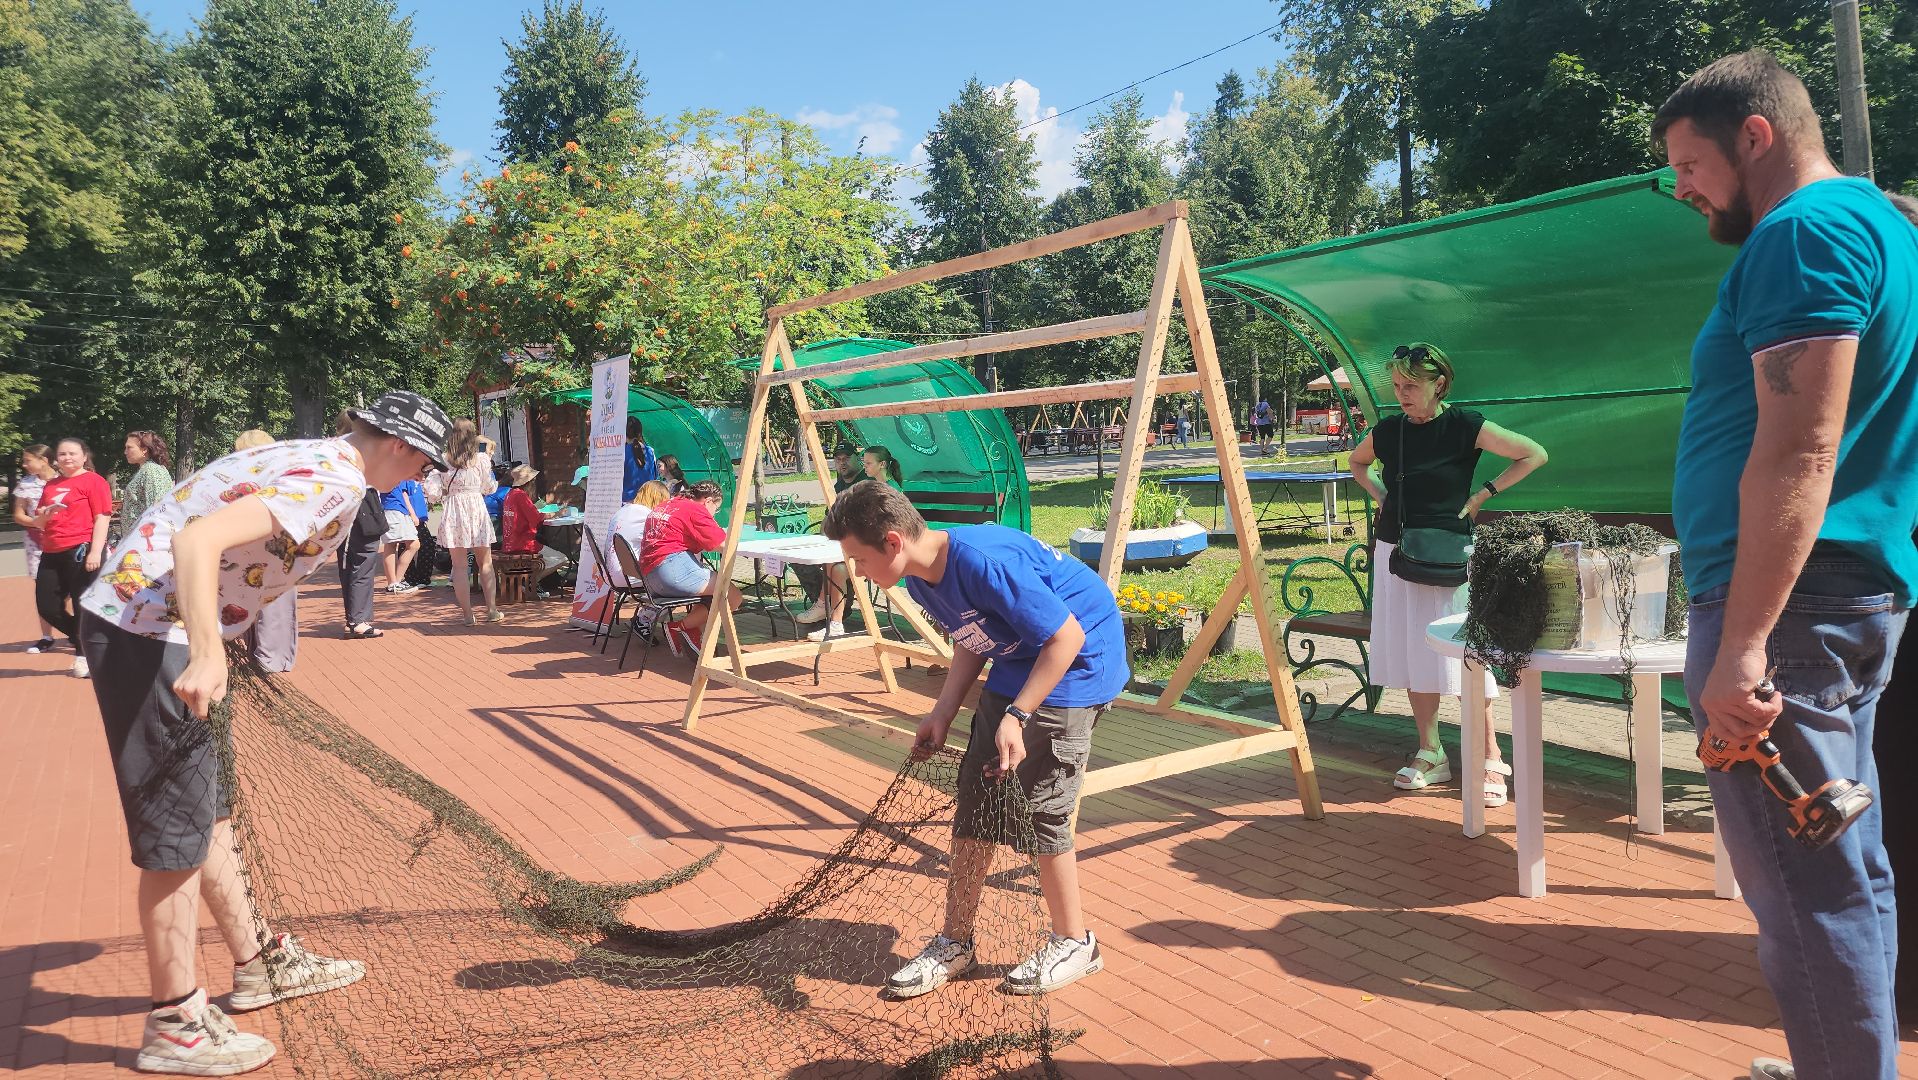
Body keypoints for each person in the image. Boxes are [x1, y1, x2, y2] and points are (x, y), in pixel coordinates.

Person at [1654, 52, 1918, 1080]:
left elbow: (1802, 447)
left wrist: (1746, 644)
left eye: (1687, 163)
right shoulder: (1885, 226)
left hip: (1787, 612)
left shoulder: (1799, 235)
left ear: (1753, 137)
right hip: (1845, 596)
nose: (1682, 188)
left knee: (1803, 895)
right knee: (1851, 867)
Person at [75, 390, 449, 1076]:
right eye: (423, 462)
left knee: (206, 810)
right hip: (151, 633)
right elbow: (197, 539)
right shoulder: (338, 480)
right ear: (400, 445)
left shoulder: (313, 454)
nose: (420, 477)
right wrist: (207, 646)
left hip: (145, 623)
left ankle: (258, 963)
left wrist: (217, 635)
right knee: (175, 831)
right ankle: (175, 1022)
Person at [821, 481, 1127, 999]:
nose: (857, 572)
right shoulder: (919, 576)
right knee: (975, 803)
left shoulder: (983, 562)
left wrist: (1019, 713)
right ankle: (955, 941)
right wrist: (943, 711)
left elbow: (1066, 637)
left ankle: (1075, 942)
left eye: (858, 558)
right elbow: (973, 636)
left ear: (893, 542)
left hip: (1075, 664)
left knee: (1043, 810)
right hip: (1020, 660)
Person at [1346, 343, 1547, 807]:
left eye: (1411, 387)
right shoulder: (1390, 429)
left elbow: (1533, 454)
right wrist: (1383, 498)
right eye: (1397, 386)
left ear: (1439, 384)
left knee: (1465, 653)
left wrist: (1483, 495)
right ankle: (1431, 751)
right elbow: (1358, 463)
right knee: (1417, 652)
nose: (1402, 395)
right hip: (1397, 551)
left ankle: (1490, 755)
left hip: (1450, 556)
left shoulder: (1466, 425)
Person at [29, 438, 112, 677]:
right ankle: (82, 639)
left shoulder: (94, 481)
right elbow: (38, 522)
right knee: (47, 606)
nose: (67, 458)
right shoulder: (51, 485)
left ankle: (84, 656)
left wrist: (95, 551)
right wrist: (44, 514)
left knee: (81, 604)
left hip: (81, 549)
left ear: (84, 456)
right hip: (52, 550)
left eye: (72, 453)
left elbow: (102, 517)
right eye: (62, 454)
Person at [638, 479, 739, 653]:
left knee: (714, 593)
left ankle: (692, 635)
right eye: (716, 508)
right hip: (672, 571)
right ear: (708, 501)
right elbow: (722, 543)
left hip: (651, 578)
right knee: (733, 596)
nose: (714, 513)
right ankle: (679, 628)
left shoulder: (668, 504)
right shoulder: (696, 509)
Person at [231, 430, 299, 673]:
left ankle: (268, 657)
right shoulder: (253, 477)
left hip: (272, 545)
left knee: (271, 603)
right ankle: (263, 655)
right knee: (262, 601)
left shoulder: (277, 477)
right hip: (262, 545)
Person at [428, 419, 501, 625]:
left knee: (459, 567)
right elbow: (489, 488)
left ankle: (468, 615)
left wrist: (445, 492)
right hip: (475, 508)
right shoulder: (481, 459)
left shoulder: (443, 460)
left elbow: (432, 493)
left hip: (454, 510)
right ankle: (492, 610)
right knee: (485, 563)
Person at [13, 444, 59, 653]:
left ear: (44, 460)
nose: (24, 465)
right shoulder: (26, 484)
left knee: (66, 589)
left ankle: (73, 630)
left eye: (28, 460)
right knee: (42, 589)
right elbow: (18, 515)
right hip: (36, 543)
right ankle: (46, 636)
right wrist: (36, 522)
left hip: (64, 540)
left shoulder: (64, 480)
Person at [499, 464, 568, 597]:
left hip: (510, 542)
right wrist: (558, 513)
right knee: (562, 559)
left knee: (548, 556)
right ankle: (530, 582)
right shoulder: (521, 496)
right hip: (523, 543)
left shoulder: (510, 495)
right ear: (529, 482)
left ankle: (528, 582)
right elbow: (536, 518)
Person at [115, 431, 174, 546]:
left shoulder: (152, 471)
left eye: (129, 448)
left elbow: (156, 508)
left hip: (146, 543)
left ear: (144, 449)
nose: (125, 452)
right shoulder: (146, 470)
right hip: (139, 540)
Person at [608, 480, 671, 587]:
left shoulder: (622, 511)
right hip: (630, 576)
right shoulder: (646, 515)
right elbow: (665, 542)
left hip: (610, 574)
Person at [379, 475, 427, 593]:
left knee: (410, 544)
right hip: (393, 508)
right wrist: (412, 514)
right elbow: (402, 493)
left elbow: (403, 493)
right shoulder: (391, 467)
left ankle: (395, 582)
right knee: (393, 544)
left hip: (398, 508)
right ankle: (394, 583)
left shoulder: (398, 468)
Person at [623, 416, 657, 502]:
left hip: (626, 502)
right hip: (647, 500)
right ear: (640, 432)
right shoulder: (651, 451)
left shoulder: (620, 452)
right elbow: (655, 476)